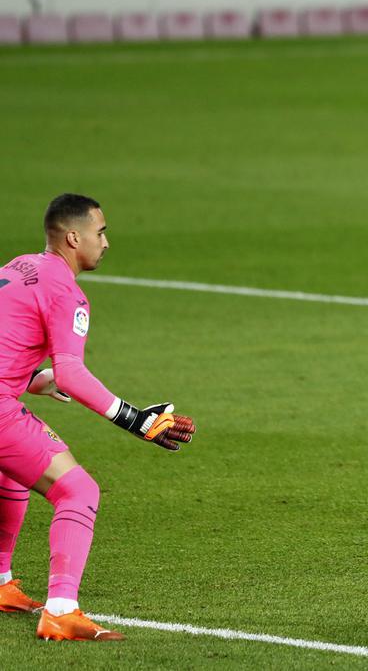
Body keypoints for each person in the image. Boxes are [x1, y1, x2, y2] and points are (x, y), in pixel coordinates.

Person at [0, 194, 196, 640]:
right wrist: (136, 420)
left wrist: (31, 377)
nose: (105, 242)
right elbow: (72, 372)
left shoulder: (18, 266)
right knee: (77, 490)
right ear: (74, 236)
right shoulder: (68, 292)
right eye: (100, 232)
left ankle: (0, 583)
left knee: (11, 473)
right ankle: (62, 612)